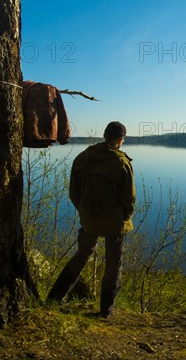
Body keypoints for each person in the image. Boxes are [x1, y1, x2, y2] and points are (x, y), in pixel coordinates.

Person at [47, 121, 136, 318]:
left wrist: (84, 211)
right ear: (121, 140)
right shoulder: (122, 162)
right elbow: (128, 199)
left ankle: (54, 298)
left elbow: (73, 191)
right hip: (115, 223)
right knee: (114, 264)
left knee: (82, 255)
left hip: (89, 219)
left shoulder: (82, 157)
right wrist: (126, 216)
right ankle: (106, 311)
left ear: (104, 135)